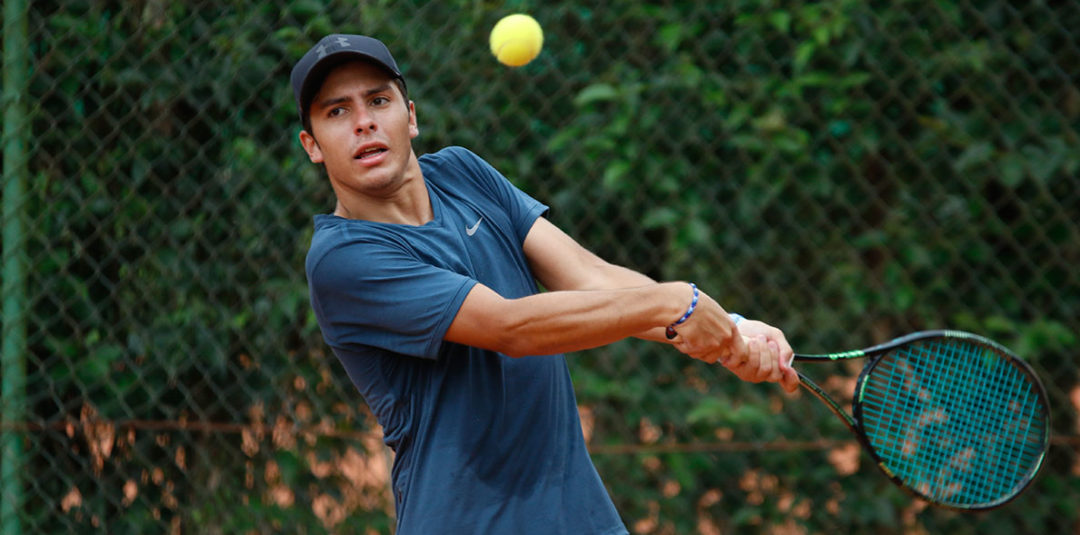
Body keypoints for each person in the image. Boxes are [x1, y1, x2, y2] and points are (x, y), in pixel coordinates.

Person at [291, 33, 799, 535]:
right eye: (337, 111)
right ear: (312, 145)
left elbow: (590, 277)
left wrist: (732, 328)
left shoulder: (462, 173)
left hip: (579, 517)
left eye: (378, 100)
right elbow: (510, 328)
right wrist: (673, 304)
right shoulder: (343, 259)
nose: (364, 122)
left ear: (411, 117)